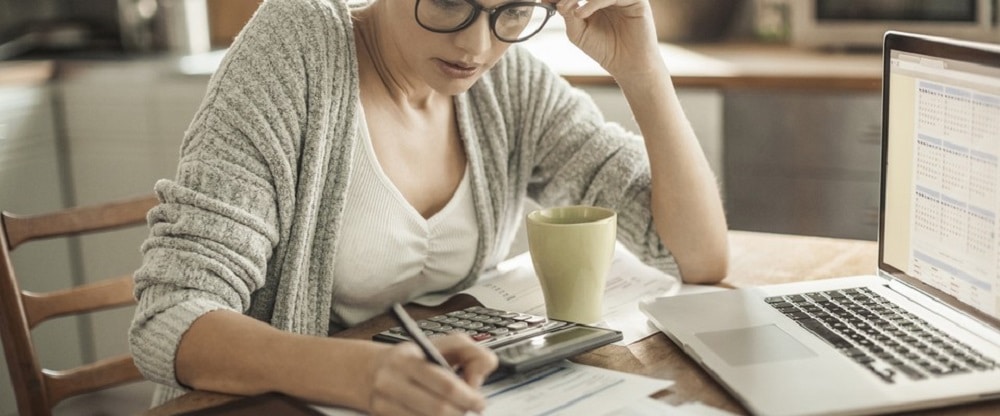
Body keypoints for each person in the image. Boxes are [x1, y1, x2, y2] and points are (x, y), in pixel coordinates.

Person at [128, 0, 729, 414]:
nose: (475, 44)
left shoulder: (509, 82)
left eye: (512, 10)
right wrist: (360, 373)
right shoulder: (296, 49)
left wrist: (643, 69)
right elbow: (171, 318)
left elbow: (696, 255)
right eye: (447, 0)